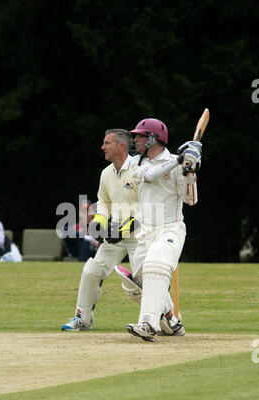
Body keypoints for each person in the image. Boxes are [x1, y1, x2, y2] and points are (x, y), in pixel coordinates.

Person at [115, 117, 202, 341]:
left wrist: (190, 172)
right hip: (145, 232)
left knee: (156, 266)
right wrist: (180, 161)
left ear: (153, 138)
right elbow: (152, 177)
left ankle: (148, 325)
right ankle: (172, 321)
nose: (135, 139)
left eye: (140, 136)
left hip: (170, 228)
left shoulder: (177, 163)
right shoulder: (137, 163)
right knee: (138, 284)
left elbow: (190, 200)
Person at [61, 128, 141, 331]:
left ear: (121, 146)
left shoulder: (139, 169)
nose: (102, 147)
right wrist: (99, 223)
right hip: (115, 235)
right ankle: (82, 318)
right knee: (91, 270)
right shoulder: (106, 173)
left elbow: (146, 208)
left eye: (107, 143)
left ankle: (167, 319)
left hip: (140, 235)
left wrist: (120, 231)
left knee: (146, 278)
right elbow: (104, 202)